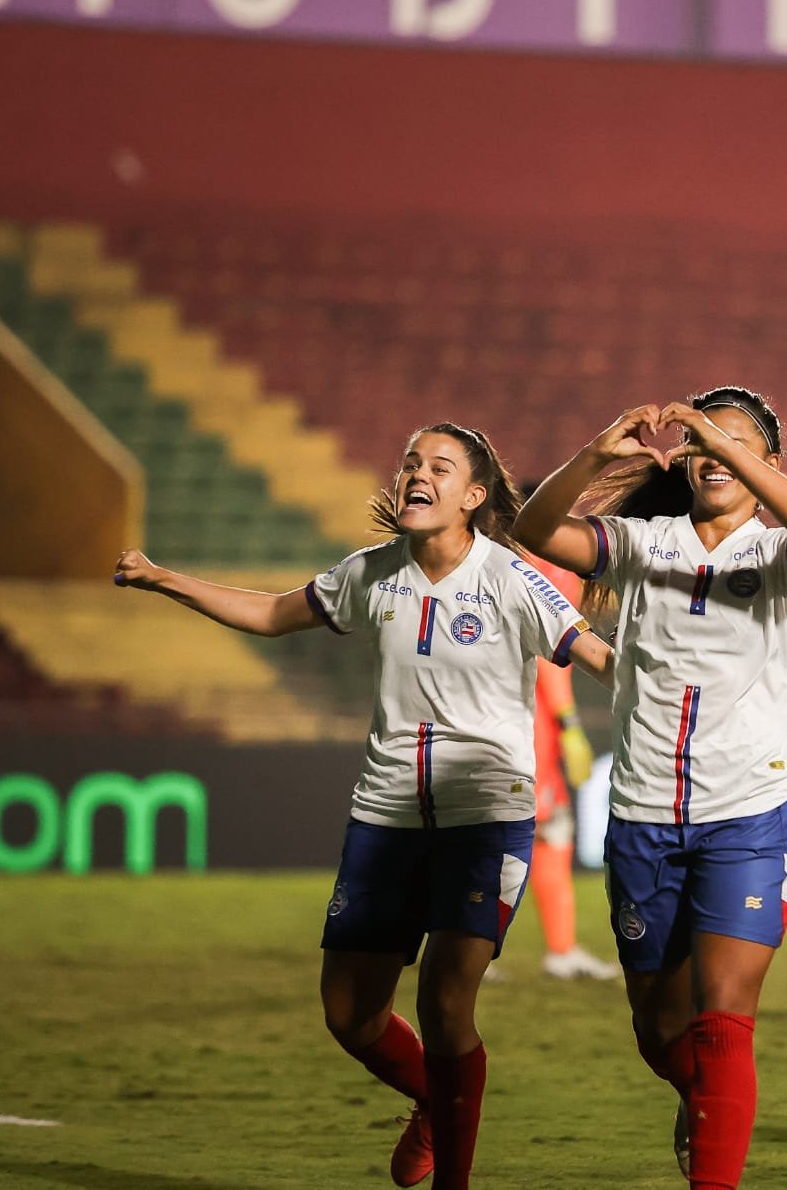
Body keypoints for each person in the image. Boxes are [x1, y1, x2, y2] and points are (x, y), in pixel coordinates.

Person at [114, 423, 612, 1190]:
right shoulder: (372, 573)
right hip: (386, 816)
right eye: (412, 460)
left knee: (447, 1003)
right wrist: (164, 578)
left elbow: (592, 652)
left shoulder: (511, 578)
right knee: (350, 1014)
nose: (416, 471)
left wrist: (667, 683)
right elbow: (277, 612)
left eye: (439, 465)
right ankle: (434, 1102)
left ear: (474, 497)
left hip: (486, 813)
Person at [512, 387, 787, 1190]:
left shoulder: (778, 555)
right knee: (660, 1031)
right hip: (644, 813)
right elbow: (531, 531)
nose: (713, 453)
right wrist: (595, 451)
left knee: (725, 1013)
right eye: (702, 442)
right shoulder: (639, 542)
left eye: (736, 444)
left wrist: (722, 443)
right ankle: (702, 1102)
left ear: (767, 466)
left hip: (752, 812)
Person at [521, 504, 621, 981]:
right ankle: (457, 953)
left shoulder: (505, 561)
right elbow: (549, 652)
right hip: (530, 727)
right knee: (539, 830)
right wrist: (568, 724)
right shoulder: (552, 567)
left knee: (545, 833)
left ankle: (560, 948)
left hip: (515, 721)